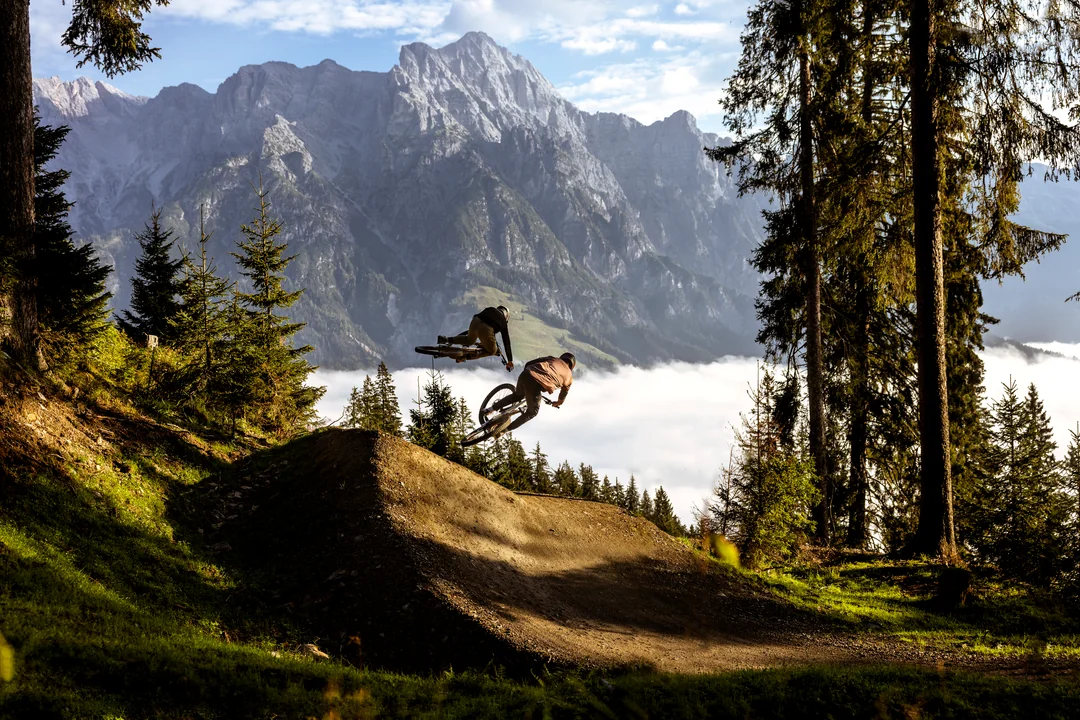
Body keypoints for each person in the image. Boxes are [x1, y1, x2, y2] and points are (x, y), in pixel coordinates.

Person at [487, 352, 576, 435]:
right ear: (572, 366)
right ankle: (503, 430)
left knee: (517, 396)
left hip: (526, 374)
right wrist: (556, 403)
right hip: (536, 385)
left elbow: (530, 363)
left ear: (562, 358)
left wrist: (527, 373)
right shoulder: (569, 377)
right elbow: (562, 396)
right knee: (532, 412)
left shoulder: (552, 359)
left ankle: (490, 409)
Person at [439, 305, 514, 371]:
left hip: (475, 321)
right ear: (506, 316)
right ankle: (464, 357)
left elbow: (469, 331)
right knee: (492, 351)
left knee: (469, 340)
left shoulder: (490, 309)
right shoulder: (503, 321)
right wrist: (510, 360)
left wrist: (451, 341)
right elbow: (506, 342)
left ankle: (446, 339)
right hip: (487, 329)